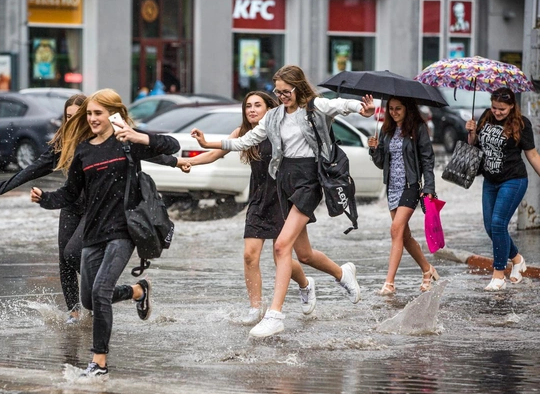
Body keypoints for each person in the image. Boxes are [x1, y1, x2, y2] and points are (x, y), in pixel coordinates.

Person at [192, 65, 374, 338]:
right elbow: (247, 140)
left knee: (281, 246)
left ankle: (275, 314)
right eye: (277, 91)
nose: (281, 96)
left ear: (298, 87)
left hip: (309, 180)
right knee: (305, 254)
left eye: (285, 91)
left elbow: (341, 105)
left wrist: (362, 108)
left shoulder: (316, 107)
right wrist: (211, 144)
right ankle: (343, 274)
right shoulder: (274, 115)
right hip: (284, 180)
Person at [0, 94, 176, 324]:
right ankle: (75, 312)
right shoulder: (65, 143)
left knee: (74, 254)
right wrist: (1, 187)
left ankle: (108, 295)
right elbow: (34, 168)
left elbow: (140, 149)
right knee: (64, 259)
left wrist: (177, 162)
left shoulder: (103, 139)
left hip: (98, 208)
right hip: (71, 203)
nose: (74, 122)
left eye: (79, 117)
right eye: (68, 118)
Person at [30, 89, 180, 377]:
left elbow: (171, 145)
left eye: (98, 113)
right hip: (93, 233)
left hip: (123, 231)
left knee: (100, 292)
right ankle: (138, 291)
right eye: (89, 114)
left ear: (114, 114)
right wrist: (45, 199)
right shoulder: (84, 150)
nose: (92, 118)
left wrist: (140, 136)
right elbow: (71, 193)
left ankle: (99, 362)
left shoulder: (127, 143)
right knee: (89, 300)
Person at [182, 91, 313, 325]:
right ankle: (255, 308)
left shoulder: (280, 127)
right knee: (250, 255)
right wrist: (189, 161)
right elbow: (215, 154)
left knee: (283, 257)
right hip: (259, 197)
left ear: (268, 109)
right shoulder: (242, 133)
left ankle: (305, 284)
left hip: (285, 198)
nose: (251, 110)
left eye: (257, 105)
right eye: (248, 106)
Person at [465, 87, 540, 291]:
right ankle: (517, 259)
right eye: (494, 107)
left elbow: (532, 155)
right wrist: (471, 133)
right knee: (491, 228)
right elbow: (474, 147)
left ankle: (499, 275)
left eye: (502, 109)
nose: (497, 112)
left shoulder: (521, 123)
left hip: (513, 180)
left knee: (499, 224)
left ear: (512, 106)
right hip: (490, 181)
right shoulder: (485, 117)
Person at [367, 96, 438, 296]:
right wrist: (373, 150)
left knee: (395, 230)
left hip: (410, 185)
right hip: (392, 187)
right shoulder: (386, 130)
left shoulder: (418, 129)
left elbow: (427, 159)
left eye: (398, 108)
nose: (394, 112)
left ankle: (389, 282)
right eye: (391, 108)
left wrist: (429, 187)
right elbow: (381, 162)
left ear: (407, 109)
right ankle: (427, 270)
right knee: (404, 236)